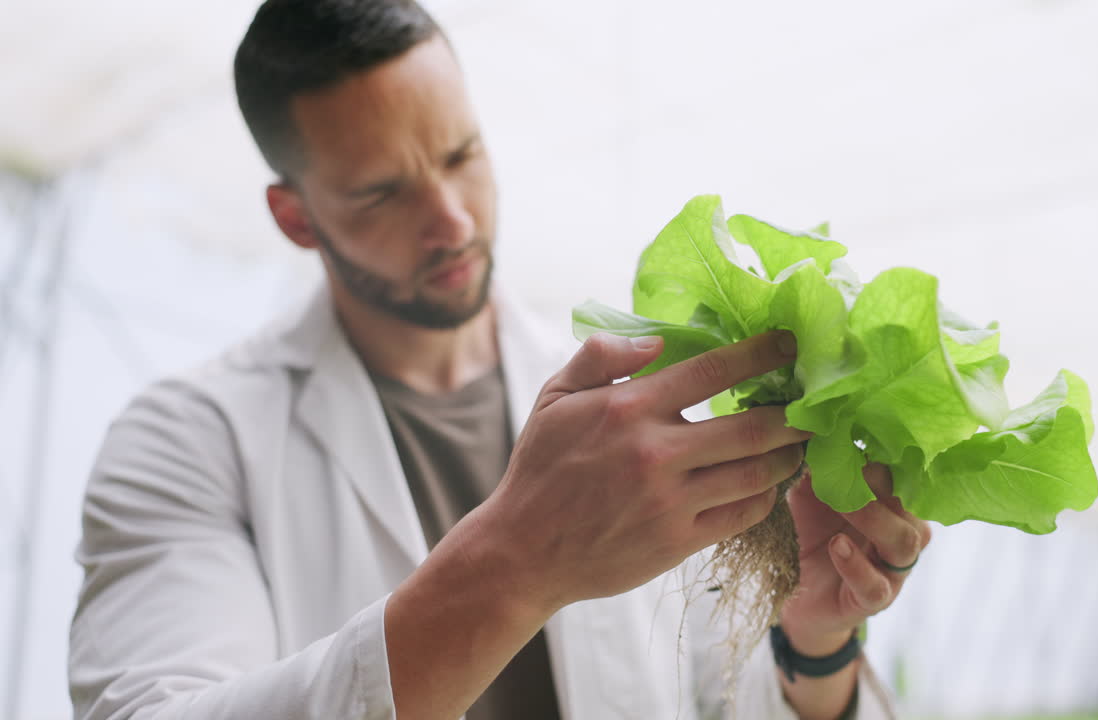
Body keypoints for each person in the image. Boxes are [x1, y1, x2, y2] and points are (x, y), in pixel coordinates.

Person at [67, 1, 931, 719]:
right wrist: (518, 561)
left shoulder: (634, 401)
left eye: (461, 155)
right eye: (382, 190)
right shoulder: (185, 443)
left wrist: (812, 645)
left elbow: (718, 693)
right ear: (296, 219)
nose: (451, 219)